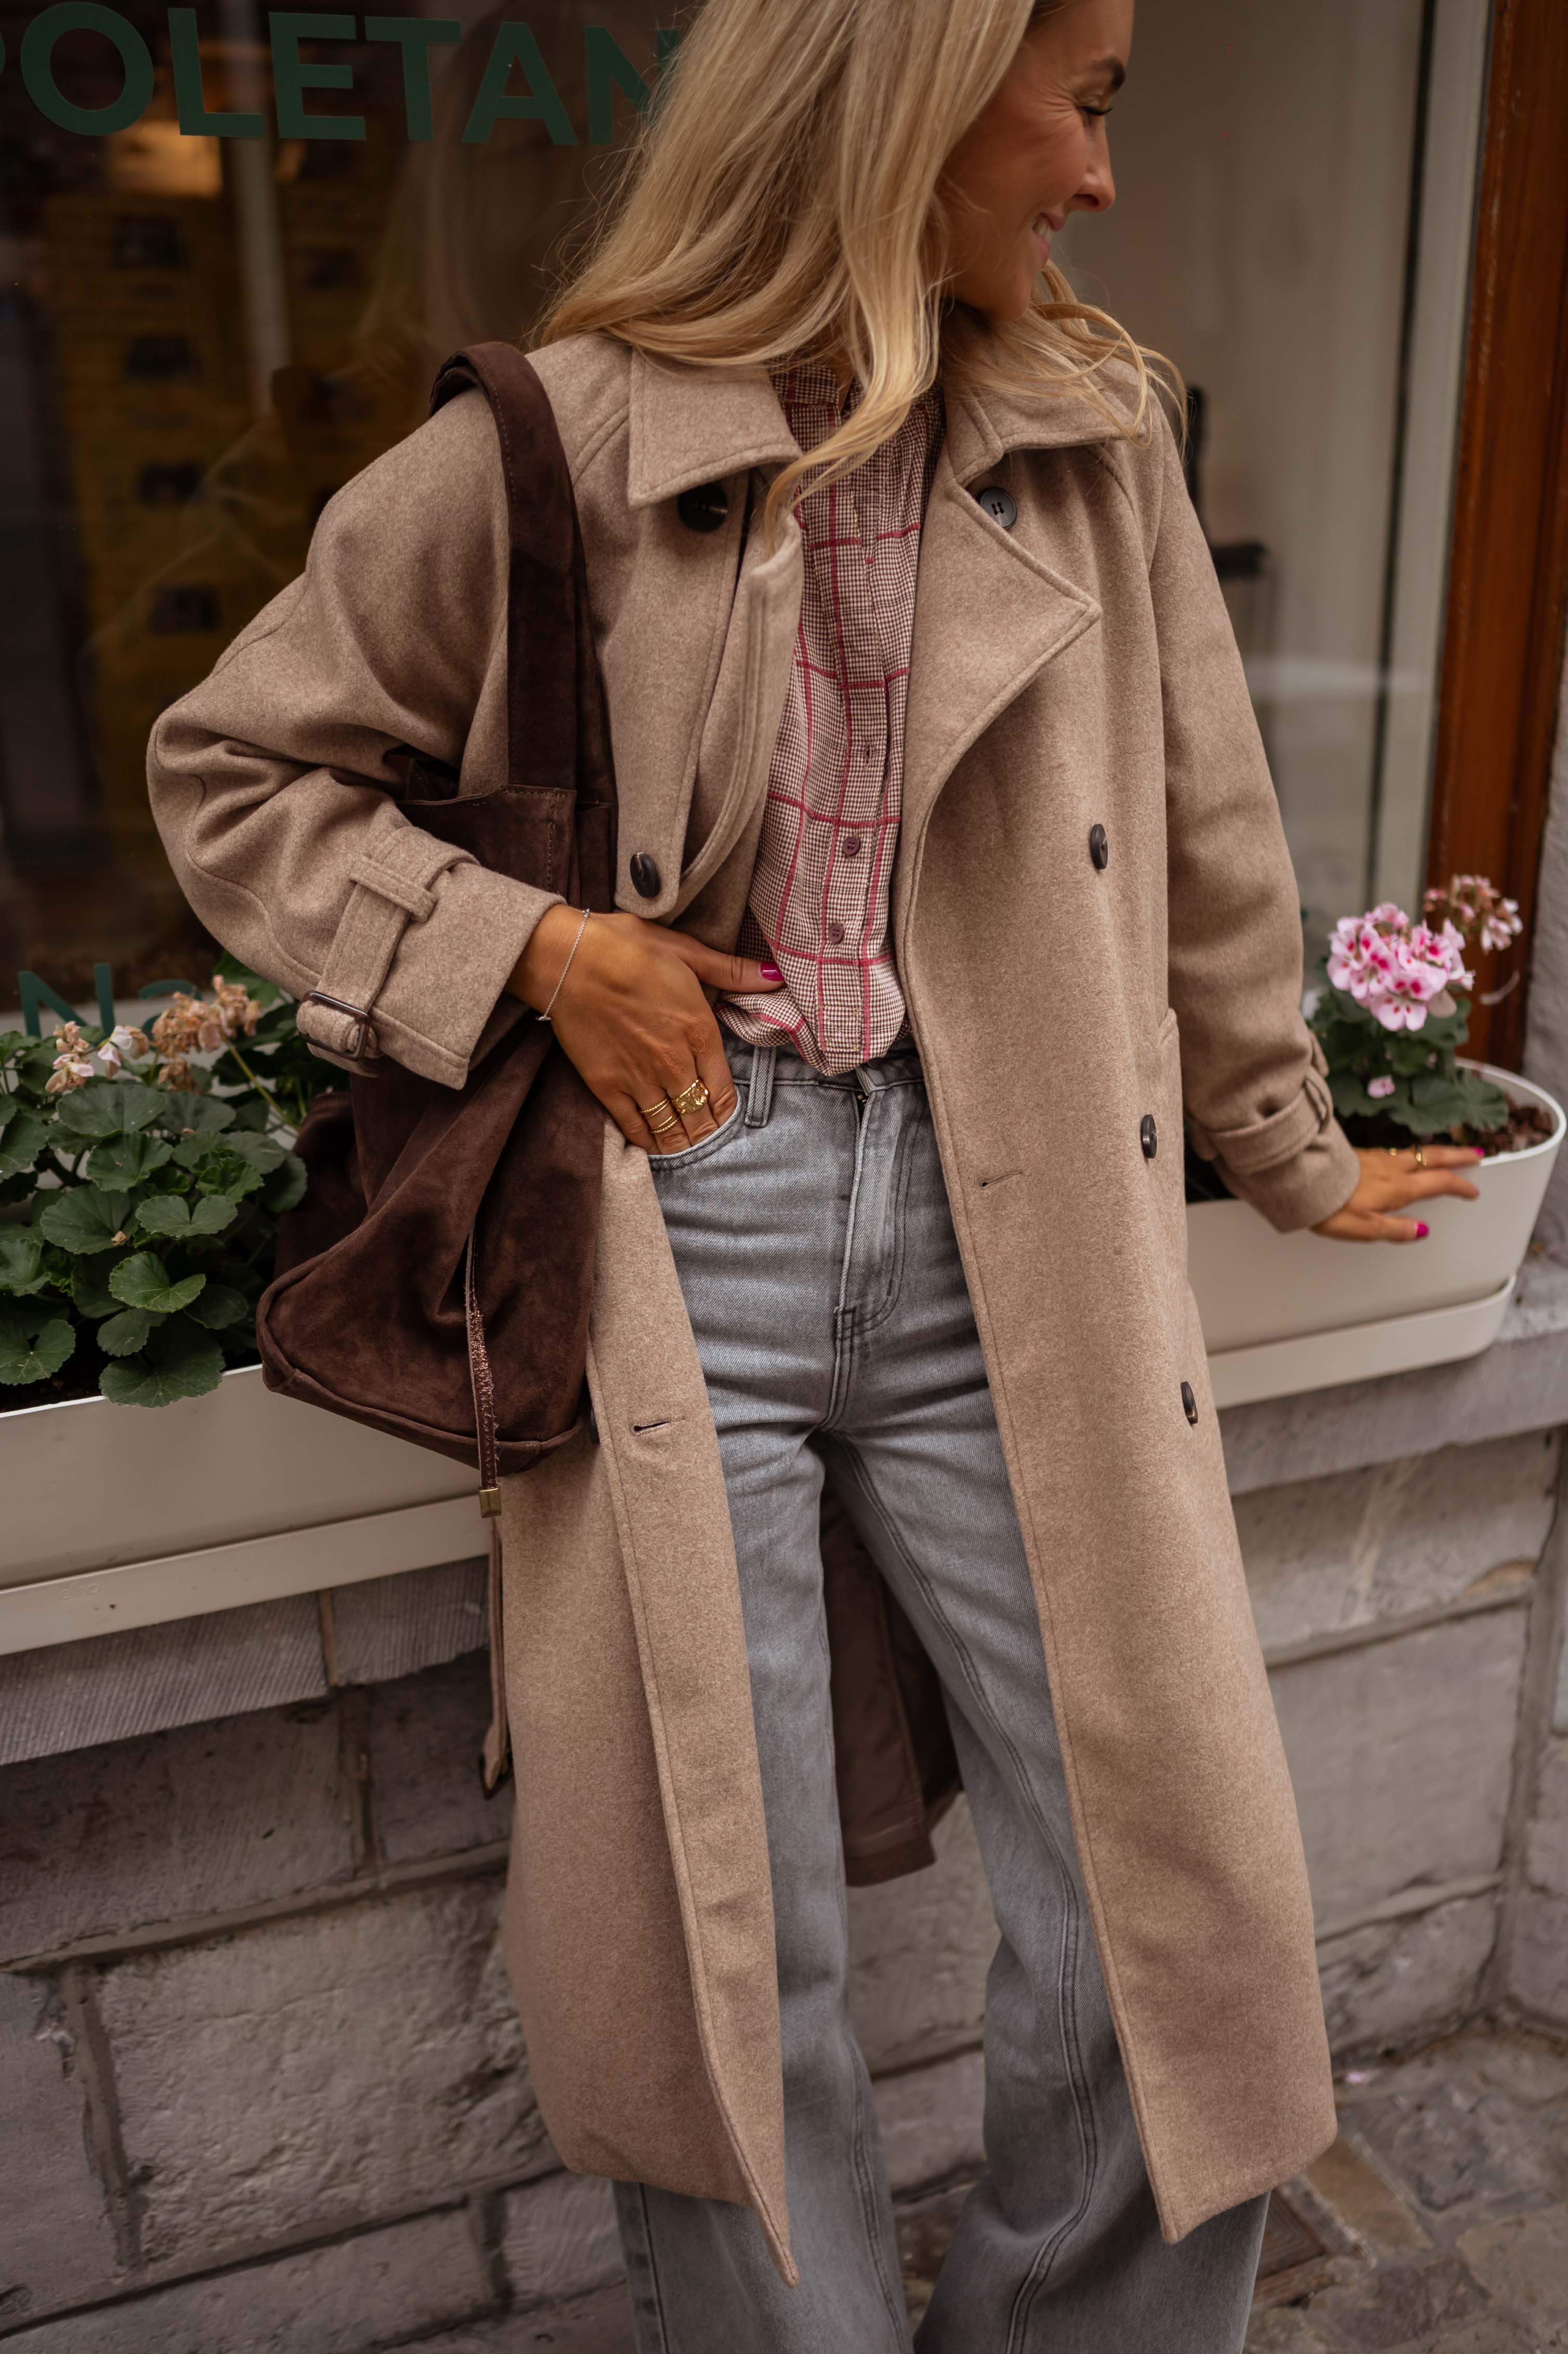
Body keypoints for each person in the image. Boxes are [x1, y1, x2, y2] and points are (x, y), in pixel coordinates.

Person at [148, 1, 1483, 2344]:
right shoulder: (550, 447)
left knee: (1181, 1910)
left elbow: (1205, 831)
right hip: (685, 1232)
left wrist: (1288, 1140)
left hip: (1022, 1235)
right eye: (1078, 104)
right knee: (715, 1943)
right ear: (899, 100)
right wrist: (539, 946)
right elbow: (236, 776)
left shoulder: (1092, 432)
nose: (1093, 176)